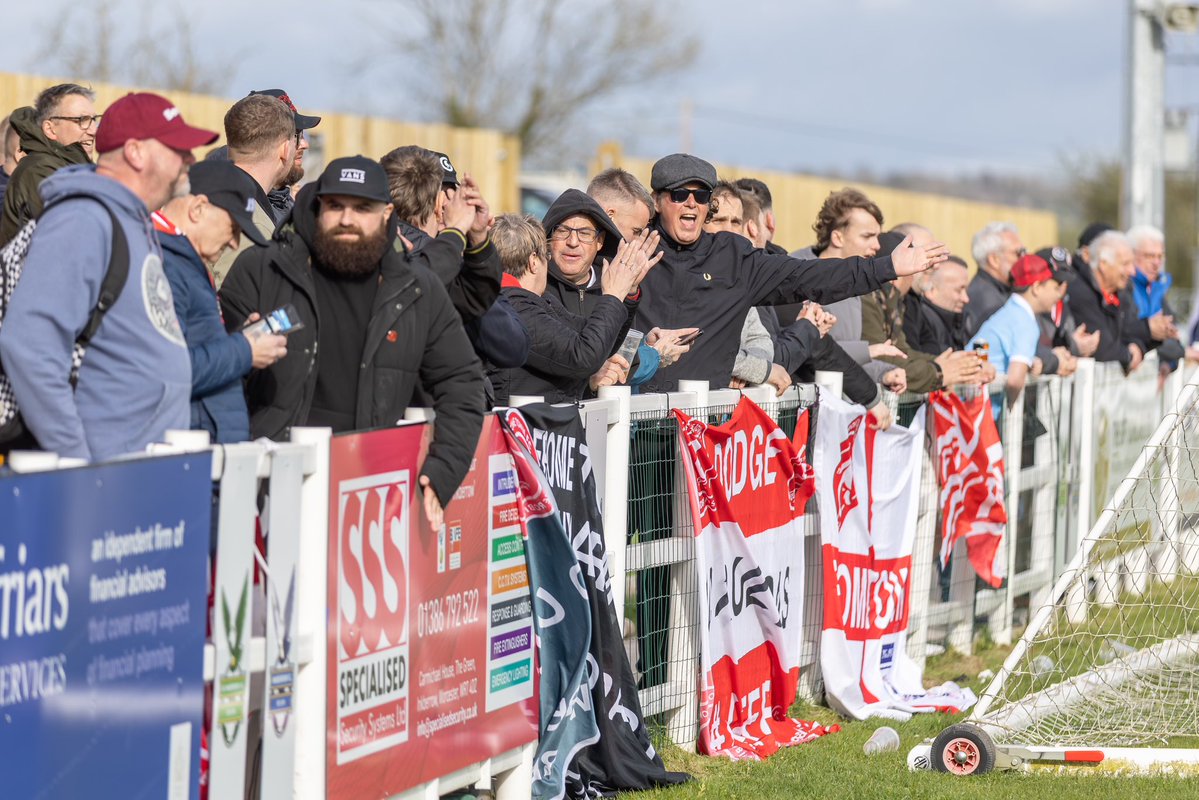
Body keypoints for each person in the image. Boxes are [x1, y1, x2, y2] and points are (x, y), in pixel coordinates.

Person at [219, 156, 483, 524]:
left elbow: (463, 383)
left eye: (362, 208)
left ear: (387, 213)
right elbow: (218, 378)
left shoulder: (418, 288)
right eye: (336, 206)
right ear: (317, 206)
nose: (347, 219)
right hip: (265, 489)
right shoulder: (261, 270)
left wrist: (442, 473)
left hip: (368, 496)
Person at [0, 92, 218, 460]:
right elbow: (30, 347)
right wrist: (76, 462)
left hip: (135, 470)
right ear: (135, 152)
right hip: (102, 480)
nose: (190, 159)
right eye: (177, 148)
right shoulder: (83, 220)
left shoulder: (130, 220)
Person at [634, 154, 945, 394]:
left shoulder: (732, 257)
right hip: (638, 426)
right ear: (659, 200)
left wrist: (886, 267)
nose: (691, 202)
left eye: (701, 196)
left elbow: (809, 276)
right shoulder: (631, 251)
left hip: (706, 430)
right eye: (679, 194)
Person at [155, 160, 287, 443]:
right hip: (185, 450)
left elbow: (193, 348)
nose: (235, 244)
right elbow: (168, 369)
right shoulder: (162, 264)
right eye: (233, 228)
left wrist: (240, 343)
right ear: (198, 209)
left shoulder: (186, 261)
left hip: (203, 444)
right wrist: (244, 350)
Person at [379, 144, 521, 399]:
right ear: (440, 200)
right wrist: (476, 245)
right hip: (441, 413)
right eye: (452, 192)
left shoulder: (377, 247)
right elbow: (511, 344)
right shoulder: (444, 261)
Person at [489, 212, 659, 404]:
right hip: (521, 429)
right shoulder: (513, 308)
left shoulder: (536, 302)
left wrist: (626, 294)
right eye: (547, 256)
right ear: (533, 261)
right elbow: (583, 356)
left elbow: (596, 340)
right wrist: (612, 296)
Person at [790, 189, 908, 388]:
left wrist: (885, 373)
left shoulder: (857, 286)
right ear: (837, 238)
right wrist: (869, 351)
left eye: (877, 236)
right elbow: (801, 352)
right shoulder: (796, 273)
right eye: (867, 236)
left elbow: (845, 365)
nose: (877, 245)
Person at [586, 168, 696, 371]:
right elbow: (588, 356)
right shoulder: (586, 273)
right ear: (609, 215)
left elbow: (610, 347)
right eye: (636, 231)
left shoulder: (612, 268)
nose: (638, 241)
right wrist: (654, 355)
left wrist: (645, 345)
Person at [860, 227, 985, 393]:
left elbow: (903, 353)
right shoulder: (869, 300)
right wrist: (939, 372)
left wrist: (951, 365)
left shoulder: (898, 301)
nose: (931, 266)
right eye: (924, 257)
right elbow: (885, 359)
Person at [210, 94, 297, 287]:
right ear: (285, 149)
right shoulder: (251, 223)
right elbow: (232, 308)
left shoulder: (206, 193)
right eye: (296, 139)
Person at [0, 84, 98, 245]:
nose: (93, 130)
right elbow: (76, 236)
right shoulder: (40, 170)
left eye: (93, 119)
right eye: (82, 120)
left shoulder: (72, 167)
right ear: (50, 129)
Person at [969, 254, 1069, 403]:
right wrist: (1010, 415)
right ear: (1036, 288)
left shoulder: (1010, 312)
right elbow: (1015, 381)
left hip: (969, 402)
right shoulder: (1024, 322)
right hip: (977, 408)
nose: (1059, 294)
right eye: (1055, 287)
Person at [1067, 229, 1146, 371]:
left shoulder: (1121, 294)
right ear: (1103, 264)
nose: (1132, 271)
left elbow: (1132, 331)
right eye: (1125, 264)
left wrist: (1137, 346)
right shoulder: (1079, 292)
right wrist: (1128, 355)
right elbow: (1103, 348)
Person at [248, 89, 321, 218]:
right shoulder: (242, 207)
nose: (304, 145)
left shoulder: (285, 202)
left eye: (302, 135)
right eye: (296, 135)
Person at [1126, 224, 1185, 369]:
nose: (1156, 263)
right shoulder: (1123, 289)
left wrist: (1168, 364)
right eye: (1149, 256)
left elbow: (1175, 345)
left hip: (1148, 384)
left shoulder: (1158, 290)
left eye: (1160, 256)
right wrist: (1152, 332)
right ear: (1131, 255)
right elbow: (1123, 334)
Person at [964, 221, 1024, 334]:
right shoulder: (987, 302)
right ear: (994, 260)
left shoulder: (1000, 291)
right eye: (1018, 253)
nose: (1023, 259)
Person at [904, 255, 971, 355]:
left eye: (966, 290)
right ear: (931, 290)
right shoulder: (922, 321)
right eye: (959, 290)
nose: (966, 299)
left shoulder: (954, 322)